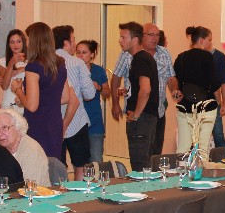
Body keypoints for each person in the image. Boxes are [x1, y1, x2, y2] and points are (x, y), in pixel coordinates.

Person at [11, 22, 75, 163]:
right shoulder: (60, 63)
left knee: (36, 165)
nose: (26, 43)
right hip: (54, 123)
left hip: (38, 124)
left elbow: (32, 106)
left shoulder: (33, 66)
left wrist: (17, 90)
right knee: (52, 166)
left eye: (27, 39)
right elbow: (65, 97)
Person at [111, 23, 177, 155]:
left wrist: (175, 90)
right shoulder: (128, 55)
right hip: (137, 111)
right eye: (151, 35)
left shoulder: (164, 53)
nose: (155, 38)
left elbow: (171, 77)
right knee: (140, 154)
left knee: (154, 153)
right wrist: (115, 103)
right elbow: (116, 78)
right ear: (142, 36)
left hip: (158, 111)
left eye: (157, 35)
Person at [53, 25, 96, 180]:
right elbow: (90, 94)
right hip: (77, 122)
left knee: (56, 166)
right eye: (73, 39)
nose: (74, 43)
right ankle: (79, 193)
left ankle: (60, 191)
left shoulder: (46, 62)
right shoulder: (77, 63)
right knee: (81, 165)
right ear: (66, 43)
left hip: (54, 122)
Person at [115, 21, 159, 171]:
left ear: (135, 39)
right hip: (146, 117)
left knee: (140, 166)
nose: (120, 40)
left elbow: (145, 90)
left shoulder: (141, 59)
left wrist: (136, 115)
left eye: (123, 37)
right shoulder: (142, 58)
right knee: (144, 163)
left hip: (142, 119)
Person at [174, 26, 221, 159]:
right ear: (201, 40)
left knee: (183, 146)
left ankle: (180, 170)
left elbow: (175, 81)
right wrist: (219, 102)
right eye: (209, 40)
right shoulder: (207, 57)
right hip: (206, 107)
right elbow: (214, 83)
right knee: (202, 147)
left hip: (185, 107)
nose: (210, 43)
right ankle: (201, 170)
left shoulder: (181, 57)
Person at [0, 108, 51, 186]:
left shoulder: (32, 151)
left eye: (4, 127)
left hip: (35, 192)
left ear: (18, 128)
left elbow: (30, 188)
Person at [76, 40, 110, 162]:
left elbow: (107, 93)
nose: (81, 55)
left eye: (84, 52)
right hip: (77, 121)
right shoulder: (72, 70)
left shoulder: (98, 70)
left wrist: (99, 87)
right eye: (78, 52)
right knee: (80, 160)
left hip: (95, 121)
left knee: (96, 159)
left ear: (92, 54)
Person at [0, 29, 27, 113]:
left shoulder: (31, 61)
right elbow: (4, 86)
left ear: (23, 43)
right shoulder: (3, 61)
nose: (15, 45)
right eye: (12, 42)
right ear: (9, 44)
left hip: (25, 104)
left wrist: (20, 70)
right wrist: (10, 64)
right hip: (8, 105)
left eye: (19, 41)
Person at [209, 38, 225, 148]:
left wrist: (224, 103)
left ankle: (223, 157)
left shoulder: (219, 57)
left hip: (214, 103)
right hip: (197, 103)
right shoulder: (194, 56)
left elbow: (224, 82)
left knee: (218, 135)